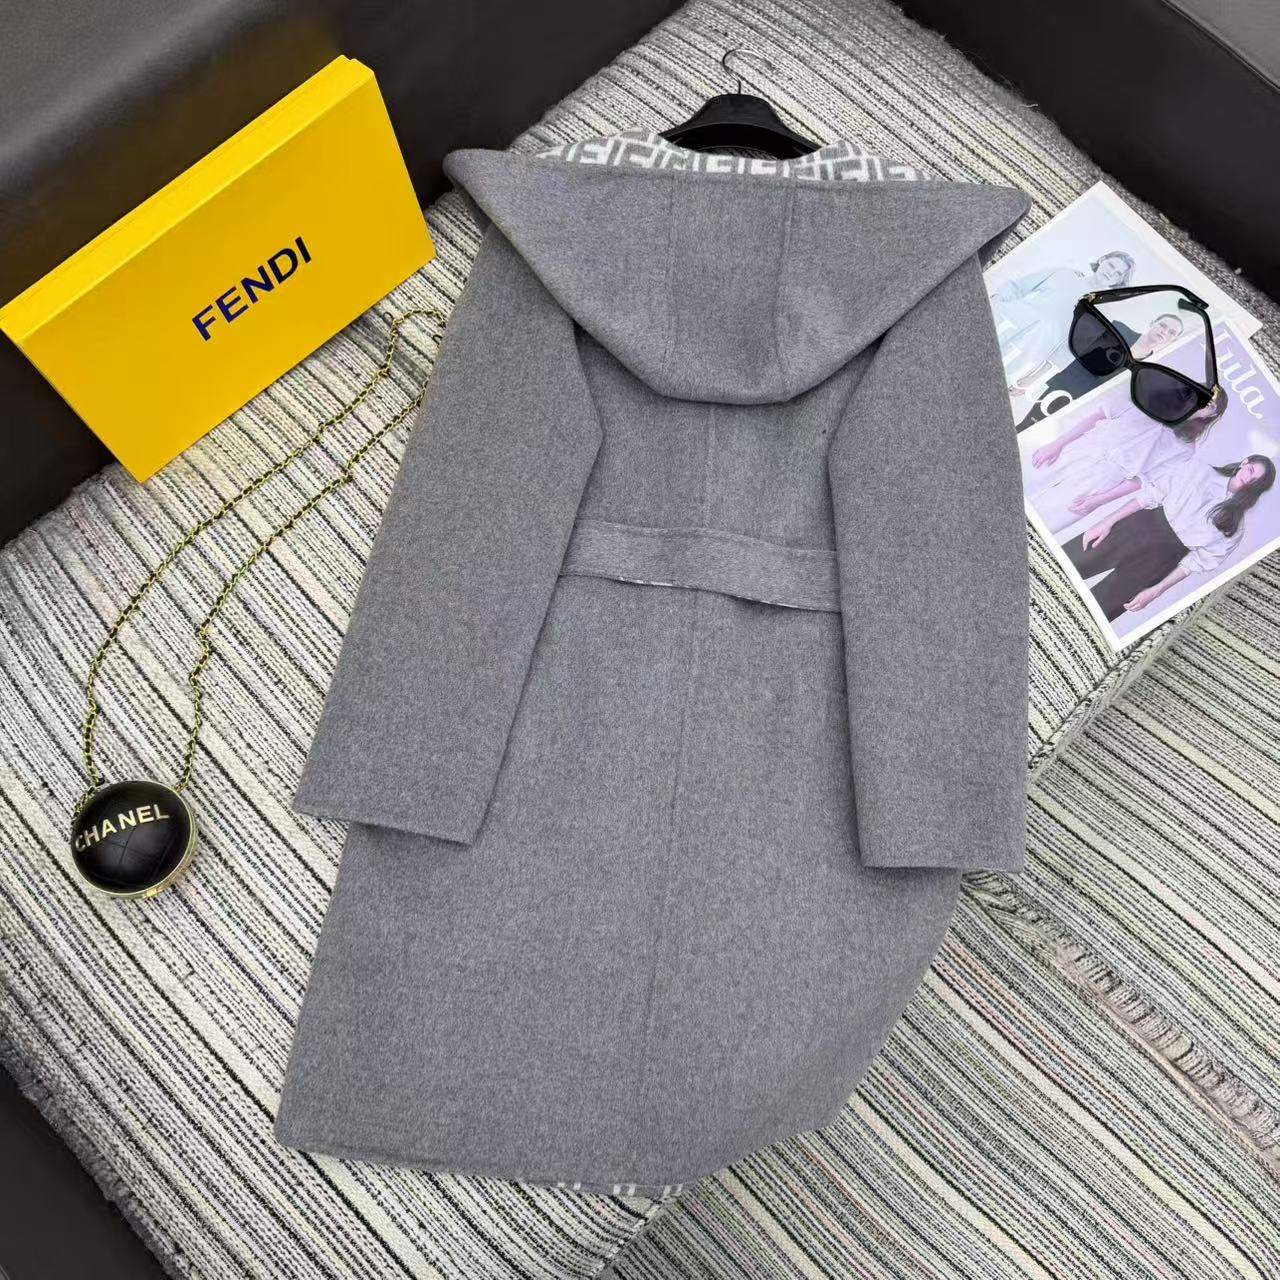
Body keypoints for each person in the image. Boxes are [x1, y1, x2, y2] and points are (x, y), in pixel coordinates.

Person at [1061, 451, 1276, 621]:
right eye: (1250, 470)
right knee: (1066, 563)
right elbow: (1150, 495)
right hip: (1133, 529)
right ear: (1244, 462)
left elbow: (1196, 563)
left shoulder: (1236, 527)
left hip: (1158, 562)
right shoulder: (1198, 470)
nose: (1248, 478)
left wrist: (1157, 590)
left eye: (1255, 480)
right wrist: (1106, 522)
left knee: (1098, 611)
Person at [1027, 384, 1227, 533]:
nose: (1201, 404)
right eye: (1200, 395)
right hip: (1080, 450)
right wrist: (1058, 444)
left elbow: (1141, 480)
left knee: (1048, 519)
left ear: (1211, 415)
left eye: (1209, 405)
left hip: (1102, 480)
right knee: (1025, 483)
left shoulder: (1184, 448)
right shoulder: (1146, 401)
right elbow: (1098, 415)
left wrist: (1099, 500)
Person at [1014, 310, 1184, 431]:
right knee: (1027, 425)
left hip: (1086, 409)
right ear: (1153, 323)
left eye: (1171, 333)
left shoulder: (1148, 369)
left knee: (1038, 434)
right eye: (1162, 325)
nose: (1164, 332)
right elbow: (1074, 351)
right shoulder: (1118, 329)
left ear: (1173, 340)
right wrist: (1036, 376)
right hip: (1066, 387)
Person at [989, 249, 1134, 382]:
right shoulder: (1064, 273)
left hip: (1023, 352)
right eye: (1111, 265)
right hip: (1001, 324)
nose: (1111, 273)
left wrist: (1034, 378)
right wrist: (995, 301)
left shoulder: (1101, 313)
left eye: (1118, 274)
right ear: (1102, 260)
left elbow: (1069, 349)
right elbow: (1019, 285)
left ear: (1119, 281)